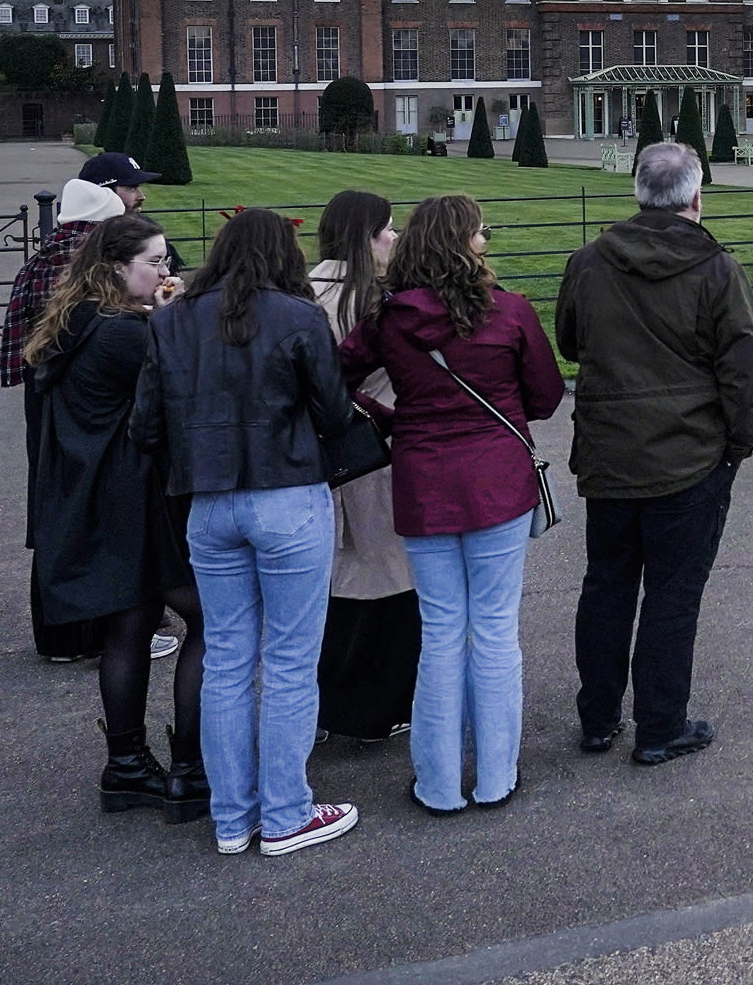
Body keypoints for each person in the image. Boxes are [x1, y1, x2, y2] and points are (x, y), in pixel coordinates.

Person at [135, 207, 358, 857]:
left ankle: (233, 816)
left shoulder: (173, 319)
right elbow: (337, 412)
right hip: (286, 495)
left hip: (211, 502)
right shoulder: (296, 316)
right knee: (289, 663)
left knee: (228, 659)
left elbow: (145, 427)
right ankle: (285, 813)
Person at [338, 195, 566, 813]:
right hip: (496, 480)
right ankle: (495, 776)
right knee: (493, 629)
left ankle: (438, 785)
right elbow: (545, 397)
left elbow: (337, 375)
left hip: (425, 480)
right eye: (481, 231)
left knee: (442, 632)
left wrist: (391, 417)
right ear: (466, 243)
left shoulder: (390, 318)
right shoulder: (510, 312)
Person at [555, 142, 753, 767]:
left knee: (607, 584)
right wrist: (738, 443)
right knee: (672, 594)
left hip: (613, 449)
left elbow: (570, 340)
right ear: (696, 198)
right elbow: (742, 369)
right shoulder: (716, 269)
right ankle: (659, 725)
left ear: (639, 193)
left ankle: (598, 718)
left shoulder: (590, 263)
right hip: (687, 456)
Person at [24, 213, 209, 821]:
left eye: (168, 260)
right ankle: (191, 767)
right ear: (113, 269)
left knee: (129, 627)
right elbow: (186, 389)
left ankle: (126, 765)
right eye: (154, 262)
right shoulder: (123, 335)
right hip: (137, 498)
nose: (168, 271)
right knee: (215, 620)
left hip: (98, 497)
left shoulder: (76, 321)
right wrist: (167, 322)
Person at [0, 151, 163, 662]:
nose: (138, 198)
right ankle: (92, 629)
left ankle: (65, 633)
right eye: (130, 190)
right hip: (80, 394)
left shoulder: (50, 255)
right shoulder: (81, 262)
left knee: (60, 505)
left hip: (50, 387)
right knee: (86, 509)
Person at [309, 191, 418, 745]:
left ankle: (329, 702)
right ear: (365, 237)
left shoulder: (304, 292)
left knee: (337, 579)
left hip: (322, 460)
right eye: (388, 231)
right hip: (375, 451)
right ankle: (372, 708)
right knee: (385, 579)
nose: (394, 240)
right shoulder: (374, 301)